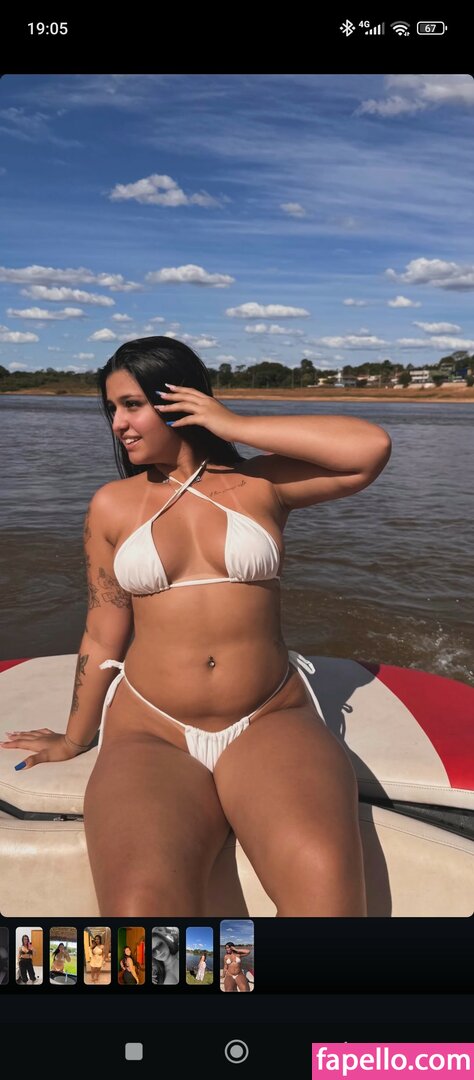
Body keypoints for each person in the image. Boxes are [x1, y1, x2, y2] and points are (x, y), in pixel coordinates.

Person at [1, 337, 391, 916]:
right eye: (111, 409)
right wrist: (75, 738)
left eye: (132, 405)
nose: (118, 424)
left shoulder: (260, 485)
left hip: (269, 716)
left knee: (328, 903)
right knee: (141, 920)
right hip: (151, 728)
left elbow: (369, 449)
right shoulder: (112, 505)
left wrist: (231, 423)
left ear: (178, 400)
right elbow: (104, 631)